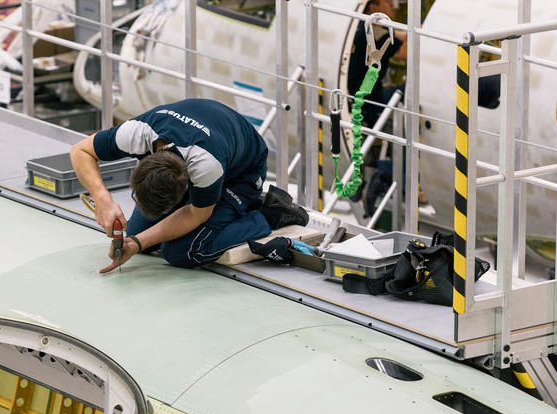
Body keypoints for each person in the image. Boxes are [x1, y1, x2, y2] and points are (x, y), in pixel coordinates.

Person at [70, 98, 308, 273]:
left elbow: (196, 213)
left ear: (186, 190)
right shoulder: (137, 133)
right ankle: (228, 210)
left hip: (242, 172)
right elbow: (80, 151)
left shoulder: (205, 165)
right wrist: (103, 200)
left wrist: (139, 242)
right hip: (212, 142)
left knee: (183, 252)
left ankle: (268, 214)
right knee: (136, 233)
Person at [346, 0, 407, 128]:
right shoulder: (377, 36)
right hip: (371, 101)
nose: (392, 5)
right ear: (374, 8)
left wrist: (412, 32)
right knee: (407, 89)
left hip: (353, 94)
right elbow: (405, 53)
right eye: (387, 2)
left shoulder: (359, 25)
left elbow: (399, 35)